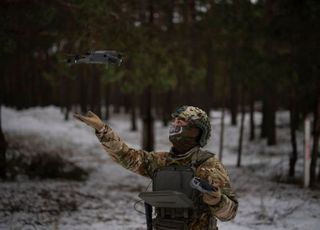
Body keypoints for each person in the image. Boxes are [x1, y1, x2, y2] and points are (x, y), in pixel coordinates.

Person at [74, 105, 238, 230]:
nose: (175, 124)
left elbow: (230, 213)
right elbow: (127, 156)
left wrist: (218, 201)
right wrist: (102, 130)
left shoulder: (209, 165)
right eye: (174, 120)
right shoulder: (161, 161)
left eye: (181, 121)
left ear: (196, 131)